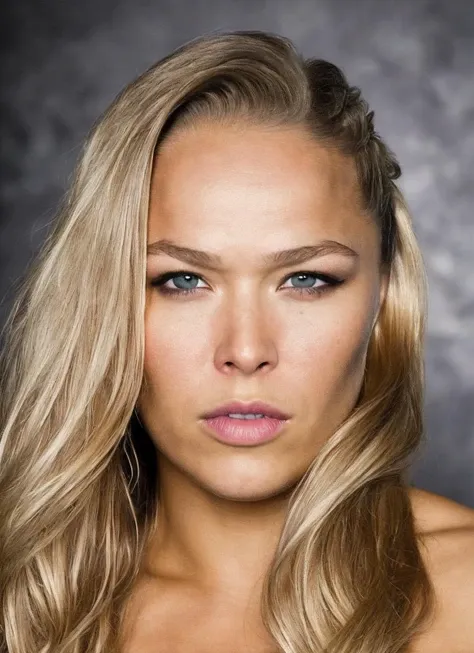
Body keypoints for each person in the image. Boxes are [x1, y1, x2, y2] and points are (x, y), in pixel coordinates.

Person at [0, 29, 473, 653]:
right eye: (182, 280)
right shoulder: (23, 598)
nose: (245, 351)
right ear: (103, 299)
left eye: (306, 279)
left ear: (382, 297)